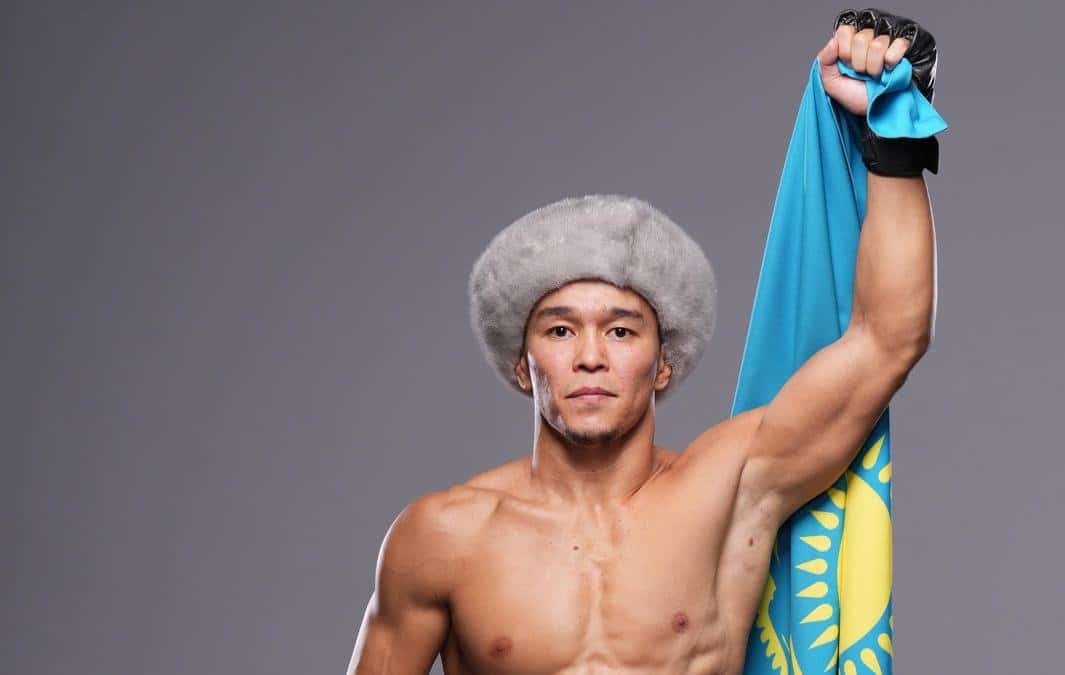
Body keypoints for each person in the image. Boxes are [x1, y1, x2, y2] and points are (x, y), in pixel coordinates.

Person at [347, 8, 939, 674]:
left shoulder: (732, 488)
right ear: (521, 364)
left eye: (622, 330)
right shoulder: (443, 537)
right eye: (560, 329)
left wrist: (895, 142)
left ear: (663, 363)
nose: (590, 356)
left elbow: (888, 339)